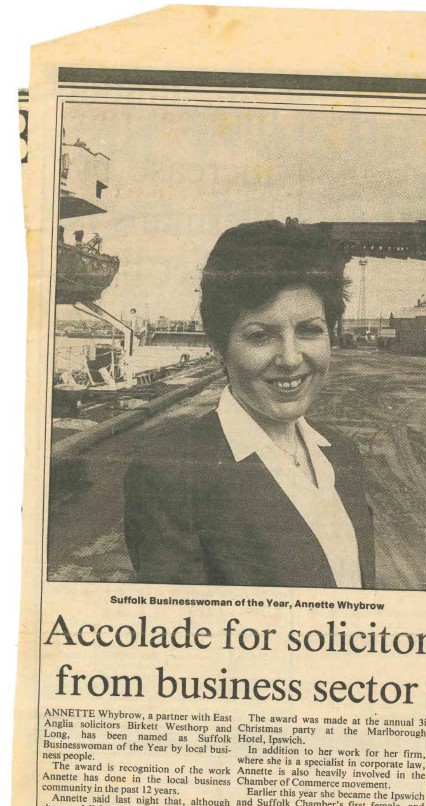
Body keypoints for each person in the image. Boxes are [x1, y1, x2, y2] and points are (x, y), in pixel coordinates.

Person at [124, 219, 375, 588]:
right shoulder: (169, 474)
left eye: (310, 330)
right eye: (260, 336)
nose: (291, 358)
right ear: (219, 345)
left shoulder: (343, 454)